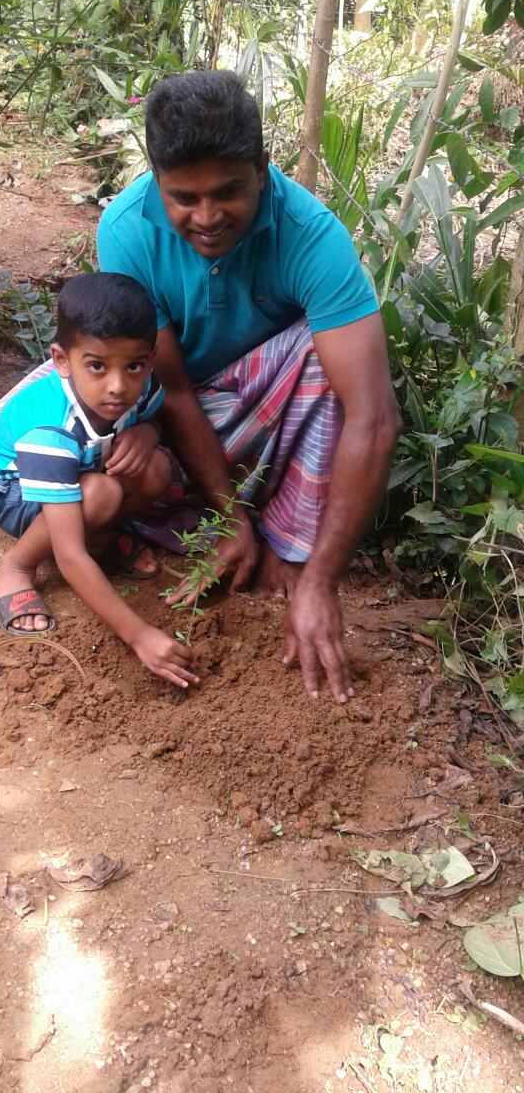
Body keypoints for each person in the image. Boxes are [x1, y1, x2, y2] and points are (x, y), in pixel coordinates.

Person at [96, 70, 401, 704]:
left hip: (261, 405)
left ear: (261, 169)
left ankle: (289, 550)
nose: (207, 218)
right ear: (156, 180)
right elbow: (173, 389)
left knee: (327, 355)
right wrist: (229, 517)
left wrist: (322, 579)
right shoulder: (126, 231)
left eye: (228, 192)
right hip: (175, 404)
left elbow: (373, 416)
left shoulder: (311, 235)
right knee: (40, 422)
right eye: (183, 198)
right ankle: (221, 519)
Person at [0, 271, 199, 690]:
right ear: (61, 360)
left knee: (155, 468)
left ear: (151, 358)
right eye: (96, 366)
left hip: (78, 470)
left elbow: (154, 419)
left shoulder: (145, 388)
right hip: (12, 490)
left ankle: (97, 535)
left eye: (134, 365)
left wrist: (147, 434)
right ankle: (16, 566)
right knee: (99, 494)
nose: (118, 387)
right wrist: (139, 635)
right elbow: (69, 556)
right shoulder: (49, 431)